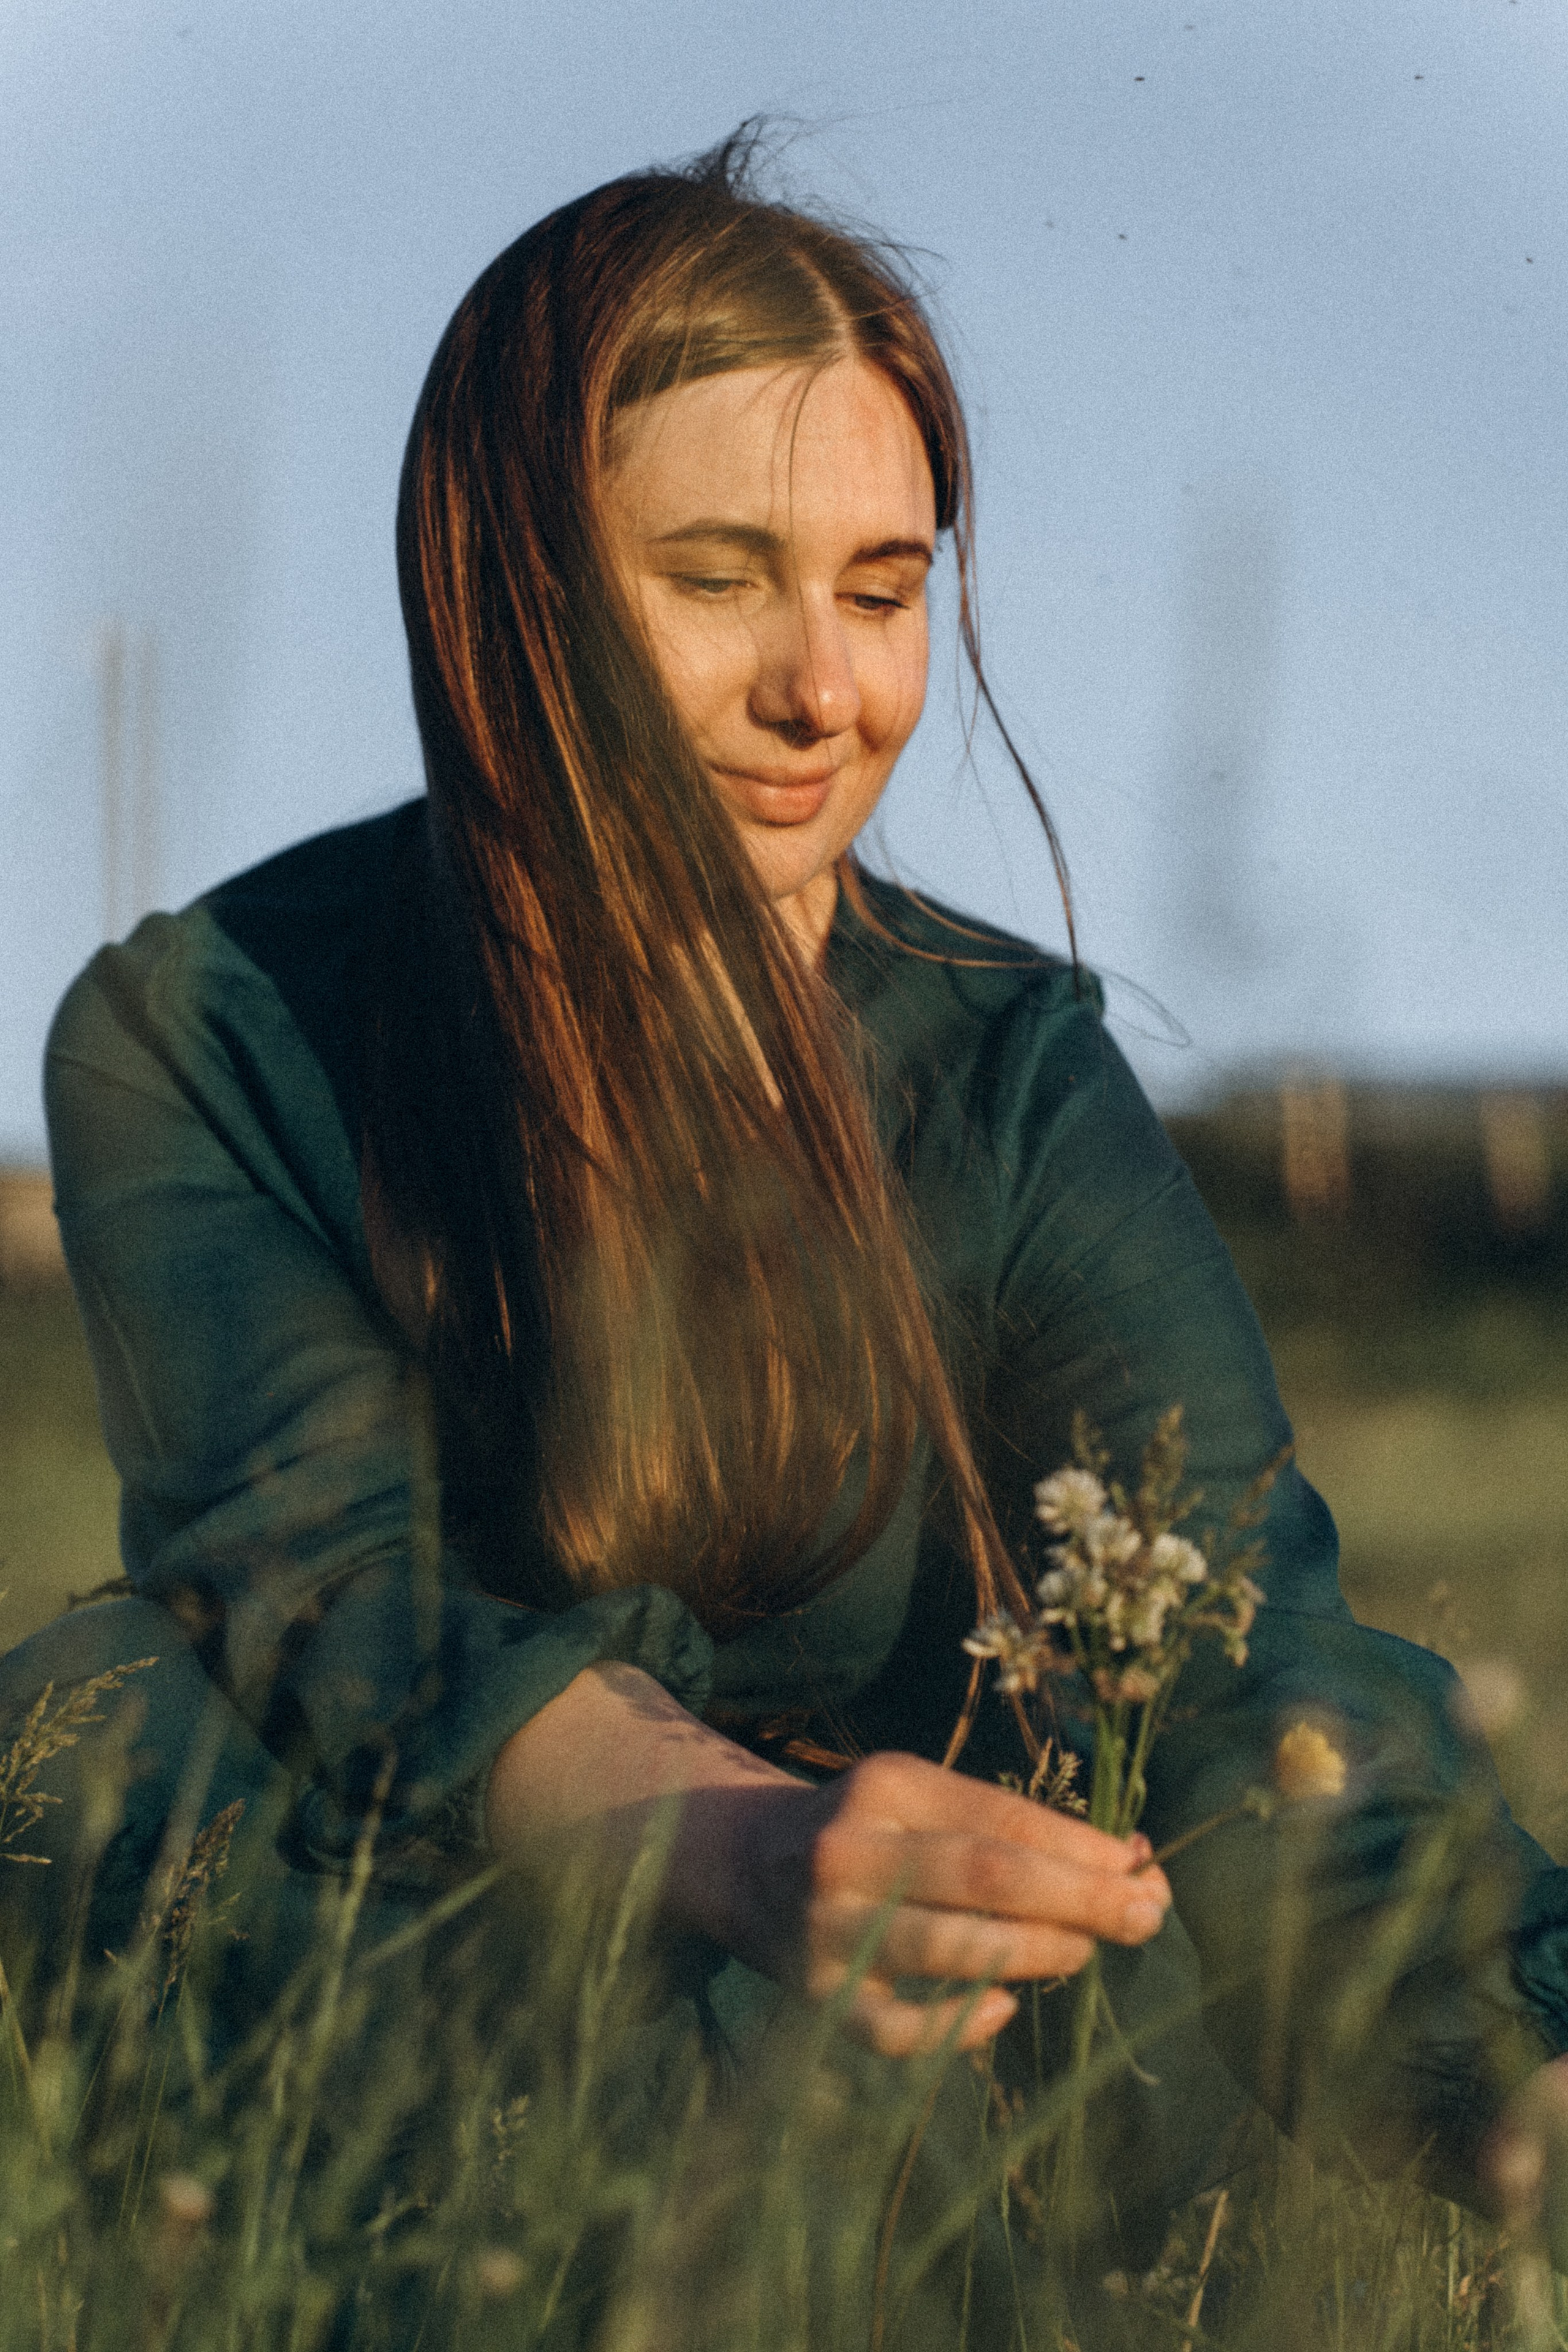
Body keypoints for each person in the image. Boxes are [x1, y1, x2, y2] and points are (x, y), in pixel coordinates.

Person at [6, 130, 1568, 2338]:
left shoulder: (1005, 1070)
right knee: (82, 1726)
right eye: (720, 578)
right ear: (512, 592)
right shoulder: (204, 1032)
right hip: (457, 1949)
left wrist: (1527, 2091)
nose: (825, 692)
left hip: (943, 2031)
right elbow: (329, 1586)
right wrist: (737, 1845)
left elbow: (1242, 1646)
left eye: (882, 589)